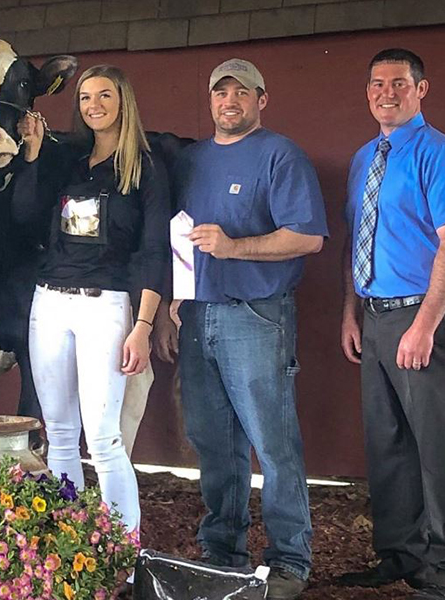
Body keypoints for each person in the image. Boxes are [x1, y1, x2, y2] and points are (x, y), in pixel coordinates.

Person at [169, 58, 327, 600]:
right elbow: (176, 235)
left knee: (272, 441)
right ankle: (223, 550)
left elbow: (308, 238)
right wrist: (174, 298)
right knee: (213, 441)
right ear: (210, 100)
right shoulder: (191, 160)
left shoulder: (281, 155)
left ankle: (289, 561)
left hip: (257, 314)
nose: (229, 101)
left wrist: (236, 248)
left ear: (262, 98)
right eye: (220, 92)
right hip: (197, 314)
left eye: (241, 92)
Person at [337, 49, 445, 600]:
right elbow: (359, 241)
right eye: (377, 83)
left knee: (439, 444)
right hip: (375, 318)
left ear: (422, 89)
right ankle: (400, 553)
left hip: (424, 315)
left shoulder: (442, 154)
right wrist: (351, 312)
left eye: (399, 82)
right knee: (389, 441)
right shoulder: (364, 159)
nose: (386, 92)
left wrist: (424, 325)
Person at [12, 65, 169, 543]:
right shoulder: (69, 163)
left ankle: (122, 548)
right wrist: (35, 157)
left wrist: (143, 324)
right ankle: (70, 543)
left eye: (104, 95)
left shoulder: (145, 166)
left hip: (106, 305)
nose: (93, 105)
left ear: (123, 100)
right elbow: (26, 217)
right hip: (51, 302)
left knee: (103, 438)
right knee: (58, 433)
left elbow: (154, 250)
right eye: (84, 97)